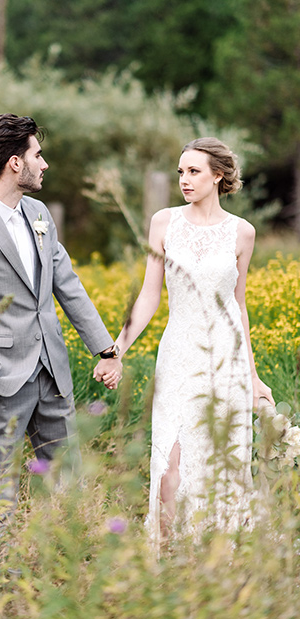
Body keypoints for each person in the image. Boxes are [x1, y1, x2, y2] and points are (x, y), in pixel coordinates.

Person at [0, 113, 115, 525]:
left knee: (69, 484)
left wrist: (105, 348)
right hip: (0, 380)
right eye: (38, 154)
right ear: (16, 162)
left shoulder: (40, 215)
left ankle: (66, 572)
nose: (44, 164)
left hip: (52, 372)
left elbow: (67, 284)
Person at [94, 137, 275, 542]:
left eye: (193, 171)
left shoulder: (242, 233)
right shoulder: (164, 222)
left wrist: (254, 377)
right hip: (178, 355)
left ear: (219, 176)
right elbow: (149, 296)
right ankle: (169, 556)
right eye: (181, 172)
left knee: (222, 461)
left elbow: (238, 305)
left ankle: (216, 559)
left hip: (225, 361)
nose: (185, 180)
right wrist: (115, 349)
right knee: (170, 462)